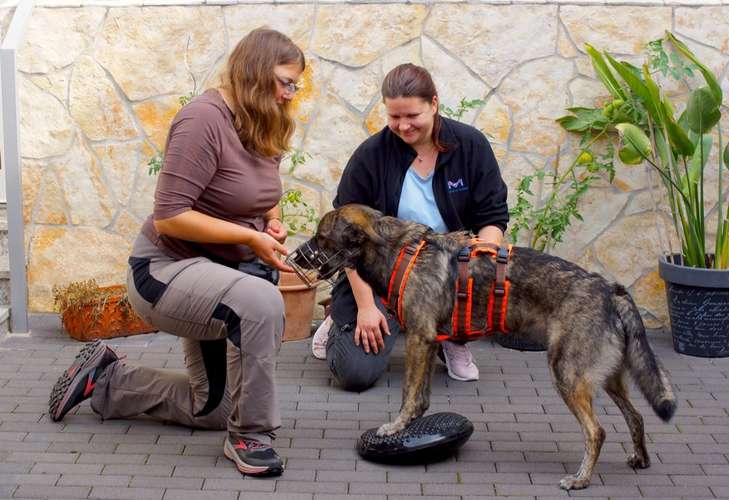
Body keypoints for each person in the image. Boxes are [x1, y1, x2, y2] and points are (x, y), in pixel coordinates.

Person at [48, 28, 305, 478]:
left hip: (215, 276)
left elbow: (263, 192)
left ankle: (107, 378)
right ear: (255, 73)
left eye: (296, 85)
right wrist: (248, 239)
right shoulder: (202, 120)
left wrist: (271, 222)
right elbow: (170, 216)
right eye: (285, 81)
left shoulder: (261, 119)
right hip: (164, 270)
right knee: (261, 302)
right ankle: (251, 434)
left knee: (211, 407)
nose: (290, 93)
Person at [312, 63, 509, 391]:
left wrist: (481, 261)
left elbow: (493, 217)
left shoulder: (470, 146)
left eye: (412, 116)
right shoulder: (371, 155)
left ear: (434, 103)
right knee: (355, 374)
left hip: (445, 270)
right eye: (394, 117)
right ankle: (339, 317)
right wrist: (364, 306)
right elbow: (345, 237)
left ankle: (449, 336)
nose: (403, 126)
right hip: (380, 276)